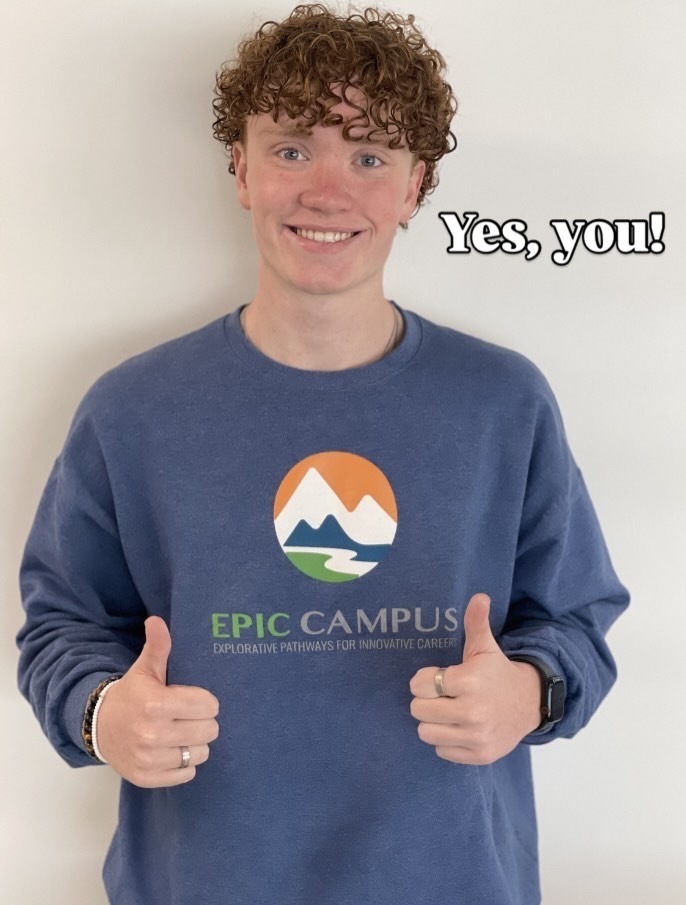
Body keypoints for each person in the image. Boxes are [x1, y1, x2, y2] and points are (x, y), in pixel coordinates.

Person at [16, 5, 629, 904]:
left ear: (415, 186)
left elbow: (578, 617)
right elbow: (60, 627)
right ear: (241, 169)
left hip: (453, 881)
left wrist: (530, 692)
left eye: (371, 156)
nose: (328, 191)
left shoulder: (503, 402)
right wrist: (104, 712)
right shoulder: (132, 410)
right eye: (293, 148)